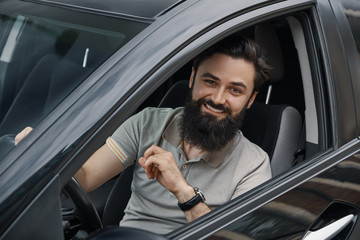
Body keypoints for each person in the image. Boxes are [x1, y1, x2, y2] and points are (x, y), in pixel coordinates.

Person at [16, 35, 272, 234]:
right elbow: (85, 178)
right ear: (193, 77)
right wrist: (42, 155)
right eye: (210, 82)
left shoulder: (254, 164)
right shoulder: (148, 122)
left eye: (235, 90)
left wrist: (183, 191)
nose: (217, 98)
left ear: (250, 100)